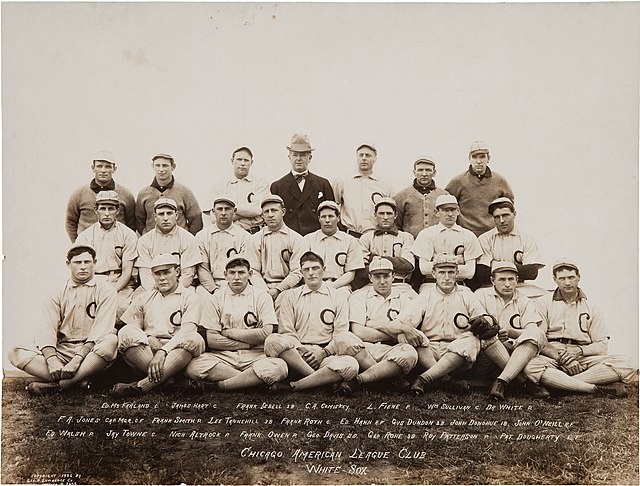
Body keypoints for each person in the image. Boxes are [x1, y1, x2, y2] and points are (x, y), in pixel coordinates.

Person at [9, 244, 118, 396]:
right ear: (68, 264)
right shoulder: (57, 290)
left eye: (87, 262)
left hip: (91, 352)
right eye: (77, 262)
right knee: (16, 352)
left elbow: (102, 328)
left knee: (111, 341)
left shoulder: (106, 289)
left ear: (95, 263)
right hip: (63, 349)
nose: (83, 267)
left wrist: (78, 359)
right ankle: (79, 381)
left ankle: (64, 384)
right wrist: (52, 358)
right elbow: (47, 327)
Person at [522, 258, 634, 398]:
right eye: (562, 278)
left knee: (627, 363)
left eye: (571, 277)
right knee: (531, 367)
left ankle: (560, 385)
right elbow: (539, 338)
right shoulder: (542, 303)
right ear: (554, 279)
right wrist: (563, 358)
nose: (567, 282)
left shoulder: (591, 307)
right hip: (553, 354)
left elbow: (602, 346)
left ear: (578, 277)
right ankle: (592, 388)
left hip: (582, 356)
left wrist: (579, 351)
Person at [185, 255, 288, 391]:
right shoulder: (215, 298)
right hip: (224, 356)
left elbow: (265, 333)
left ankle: (222, 386)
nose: (236, 277)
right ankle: (251, 382)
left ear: (250, 274)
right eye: (232, 273)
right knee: (194, 366)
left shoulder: (262, 296)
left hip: (256, 355)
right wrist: (249, 342)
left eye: (241, 272)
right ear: (225, 275)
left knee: (279, 367)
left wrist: (230, 333)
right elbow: (212, 339)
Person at [387, 255, 487, 395]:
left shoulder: (467, 296)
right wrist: (407, 328)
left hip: (456, 354)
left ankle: (426, 378)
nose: (446, 277)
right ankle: (445, 380)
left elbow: (485, 321)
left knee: (471, 339)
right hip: (430, 351)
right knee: (405, 335)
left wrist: (484, 323)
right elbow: (393, 325)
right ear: (433, 273)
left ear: (457, 274)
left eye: (451, 272)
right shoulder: (425, 296)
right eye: (441, 272)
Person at [111, 254, 206, 397]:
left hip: (177, 354)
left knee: (193, 338)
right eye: (157, 273)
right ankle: (170, 383)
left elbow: (187, 331)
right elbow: (133, 329)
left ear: (177, 272)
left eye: (167, 272)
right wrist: (148, 337)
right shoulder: (144, 298)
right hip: (147, 351)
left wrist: (163, 351)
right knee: (126, 331)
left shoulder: (191, 297)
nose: (162, 278)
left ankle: (142, 386)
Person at [264, 251, 359, 392]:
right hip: (297, 355)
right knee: (272, 340)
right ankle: (318, 380)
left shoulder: (337, 296)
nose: (311, 273)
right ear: (301, 273)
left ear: (324, 270)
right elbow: (287, 331)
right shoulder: (290, 296)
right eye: (306, 269)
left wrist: (323, 352)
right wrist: (302, 351)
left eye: (315, 268)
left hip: (325, 353)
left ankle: (295, 385)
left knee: (351, 364)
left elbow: (341, 333)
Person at [336, 257, 418, 393]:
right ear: (370, 277)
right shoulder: (359, 296)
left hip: (390, 350)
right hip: (363, 349)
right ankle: (389, 379)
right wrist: (393, 330)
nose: (382, 281)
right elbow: (359, 332)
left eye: (386, 276)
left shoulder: (404, 300)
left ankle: (359, 380)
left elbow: (405, 335)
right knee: (343, 338)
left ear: (393, 276)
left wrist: (374, 324)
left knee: (410, 354)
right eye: (377, 276)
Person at [474, 262, 550, 400]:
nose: (507, 284)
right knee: (488, 335)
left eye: (511, 279)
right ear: (492, 280)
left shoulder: (524, 301)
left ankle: (501, 381)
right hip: (486, 356)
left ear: (517, 280)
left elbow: (531, 331)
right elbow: (479, 327)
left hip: (516, 353)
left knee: (537, 333)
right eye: (502, 279)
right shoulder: (480, 295)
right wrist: (497, 333)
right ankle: (523, 382)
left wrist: (511, 332)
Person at [75, 190, 138, 318]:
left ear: (118, 210)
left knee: (121, 308)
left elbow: (127, 271)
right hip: (93, 281)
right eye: (103, 208)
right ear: (96, 210)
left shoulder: (128, 234)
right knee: (83, 308)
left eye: (111, 209)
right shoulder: (85, 236)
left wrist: (112, 290)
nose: (107, 213)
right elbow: (81, 268)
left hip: (120, 283)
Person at [472, 197, 545, 294]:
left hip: (519, 286)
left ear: (514, 214)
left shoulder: (526, 239)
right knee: (478, 295)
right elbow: (482, 273)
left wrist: (496, 265)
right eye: (497, 217)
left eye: (505, 215)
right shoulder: (484, 239)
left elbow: (532, 272)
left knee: (543, 296)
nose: (501, 220)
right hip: (491, 287)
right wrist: (517, 268)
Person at [412, 194, 482, 290]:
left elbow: (469, 272)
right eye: (445, 210)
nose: (450, 214)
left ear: (458, 211)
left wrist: (438, 259)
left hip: (459, 285)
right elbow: (424, 269)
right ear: (436, 212)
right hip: (431, 284)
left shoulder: (468, 235)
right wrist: (456, 260)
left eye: (453, 210)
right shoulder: (426, 234)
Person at [445, 141, 514, 237]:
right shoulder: (457, 181)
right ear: (469, 159)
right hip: (465, 235)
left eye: (482, 157)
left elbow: (509, 206)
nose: (478, 161)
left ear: (488, 158)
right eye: (474, 157)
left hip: (493, 234)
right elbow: (446, 206)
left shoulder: (500, 181)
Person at [270, 134, 335, 236]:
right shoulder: (277, 186)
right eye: (295, 155)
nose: (299, 159)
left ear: (310, 157)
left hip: (316, 239)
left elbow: (332, 216)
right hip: (289, 239)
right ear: (289, 157)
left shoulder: (323, 184)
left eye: (303, 155)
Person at [244, 195, 304, 302]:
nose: (270, 215)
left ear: (283, 212)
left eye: (274, 210)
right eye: (266, 212)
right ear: (262, 215)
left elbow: (297, 271)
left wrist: (278, 289)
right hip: (261, 288)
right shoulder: (255, 239)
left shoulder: (296, 239)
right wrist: (265, 292)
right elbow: (253, 271)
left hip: (289, 288)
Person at [66, 151, 136, 242]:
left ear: (114, 169)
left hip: (116, 246)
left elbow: (131, 224)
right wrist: (79, 245)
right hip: (87, 245)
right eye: (99, 166)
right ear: (93, 168)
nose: (103, 170)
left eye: (107, 167)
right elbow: (70, 222)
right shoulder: (78, 194)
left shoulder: (126, 195)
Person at [135, 197, 203, 292]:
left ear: (176, 215)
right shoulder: (144, 241)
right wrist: (157, 293)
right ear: (155, 217)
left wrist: (171, 293)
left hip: (182, 288)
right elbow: (145, 275)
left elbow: (187, 275)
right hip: (152, 289)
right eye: (161, 214)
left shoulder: (188, 238)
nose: (165, 218)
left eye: (169, 213)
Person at [302, 200, 365, 295]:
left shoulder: (350, 241)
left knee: (343, 297)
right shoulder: (308, 240)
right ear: (319, 219)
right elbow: (303, 269)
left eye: (331, 216)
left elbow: (351, 273)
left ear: (338, 218)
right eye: (323, 217)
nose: (327, 220)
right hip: (312, 285)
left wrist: (332, 286)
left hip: (340, 287)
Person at [358, 197, 417, 297]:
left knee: (416, 303)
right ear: (375, 215)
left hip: (400, 286)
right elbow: (361, 270)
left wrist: (377, 259)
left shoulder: (406, 237)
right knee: (354, 299)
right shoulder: (366, 238)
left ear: (395, 215)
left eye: (389, 213)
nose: (385, 217)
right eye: (381, 213)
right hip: (372, 286)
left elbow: (408, 265)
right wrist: (396, 262)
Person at [206, 146, 271, 234]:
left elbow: (258, 210)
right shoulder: (220, 186)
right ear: (232, 161)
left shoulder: (261, 184)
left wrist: (229, 210)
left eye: (246, 160)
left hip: (254, 233)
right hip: (227, 234)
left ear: (251, 162)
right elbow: (214, 218)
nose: (242, 163)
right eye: (239, 159)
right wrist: (247, 211)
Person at [333, 143, 393, 237]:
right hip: (349, 235)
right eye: (361, 155)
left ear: (375, 159)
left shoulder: (384, 184)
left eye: (368, 155)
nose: (364, 158)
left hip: (375, 236)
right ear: (357, 157)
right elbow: (334, 206)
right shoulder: (343, 181)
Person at [195, 196, 250, 298]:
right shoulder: (202, 236)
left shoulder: (244, 237)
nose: (223, 213)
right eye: (220, 209)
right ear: (213, 211)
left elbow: (243, 269)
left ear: (234, 211)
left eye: (227, 209)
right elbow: (202, 269)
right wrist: (214, 290)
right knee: (199, 296)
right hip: (210, 285)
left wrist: (230, 289)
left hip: (236, 284)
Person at [136, 153, 203, 236]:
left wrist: (188, 238)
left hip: (179, 242)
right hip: (153, 243)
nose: (161, 169)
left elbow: (196, 217)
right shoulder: (143, 194)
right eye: (157, 165)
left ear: (173, 167)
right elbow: (139, 220)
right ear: (152, 166)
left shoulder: (185, 192)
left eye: (165, 166)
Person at [393, 155, 449, 239]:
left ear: (434, 173)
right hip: (411, 244)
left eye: (428, 170)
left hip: (438, 244)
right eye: (420, 170)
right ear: (414, 172)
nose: (424, 174)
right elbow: (396, 225)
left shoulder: (444, 195)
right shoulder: (401, 196)